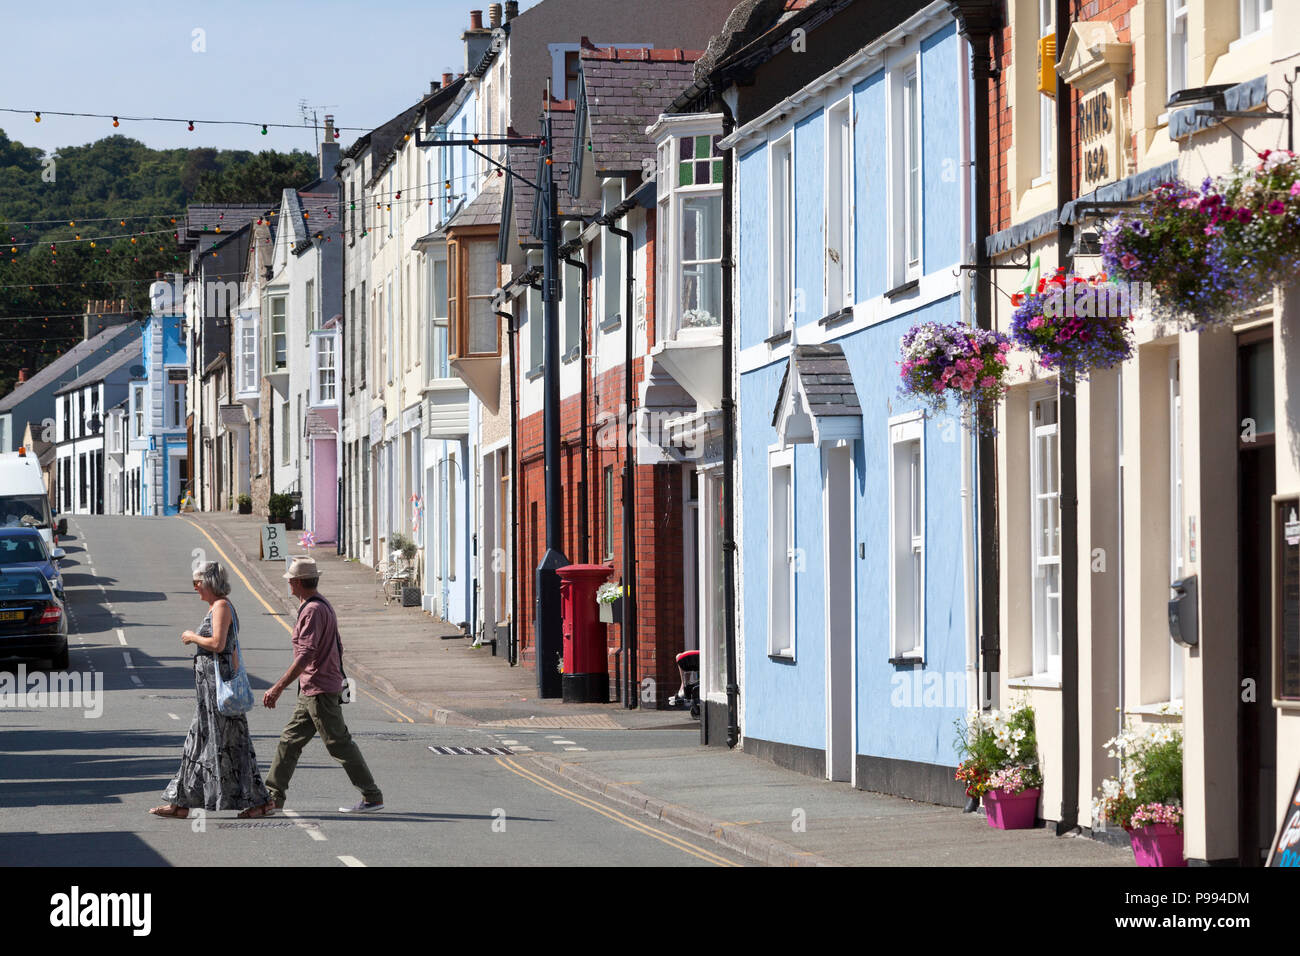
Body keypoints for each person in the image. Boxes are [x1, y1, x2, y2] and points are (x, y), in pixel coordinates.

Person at [151, 562, 276, 819]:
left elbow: (218, 644)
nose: (195, 587)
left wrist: (192, 637)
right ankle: (180, 803)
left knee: (233, 746)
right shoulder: (215, 606)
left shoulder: (221, 606)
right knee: (197, 744)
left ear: (209, 583)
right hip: (209, 695)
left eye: (197, 582)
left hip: (220, 694)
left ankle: (261, 802)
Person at [263, 557, 384, 812]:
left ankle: (372, 796)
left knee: (339, 743)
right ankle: (273, 797)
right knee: (289, 741)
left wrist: (278, 687)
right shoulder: (318, 605)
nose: (289, 585)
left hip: (319, 689)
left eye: (290, 581)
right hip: (314, 688)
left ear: (296, 582)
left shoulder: (313, 610)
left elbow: (305, 654)